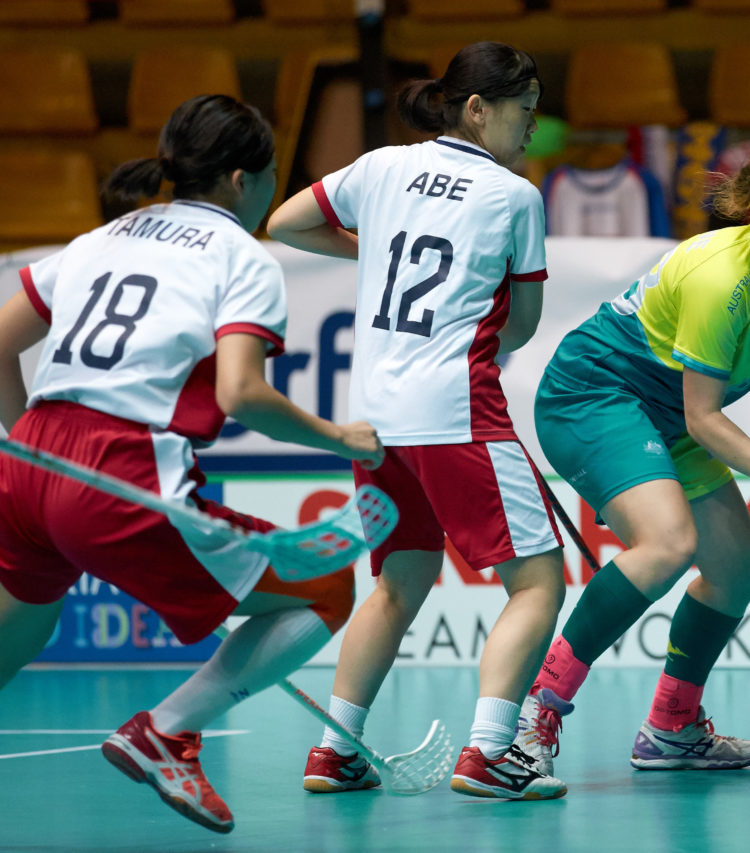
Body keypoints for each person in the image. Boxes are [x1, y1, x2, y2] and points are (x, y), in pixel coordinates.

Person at [0, 94, 385, 834]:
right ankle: (167, 731)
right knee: (326, 585)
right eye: (273, 175)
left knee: (21, 628)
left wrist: (29, 438)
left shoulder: (102, 237)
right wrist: (344, 439)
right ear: (243, 180)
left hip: (27, 466)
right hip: (122, 470)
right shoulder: (243, 255)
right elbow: (241, 392)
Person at [267, 41, 568, 801]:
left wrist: (368, 259)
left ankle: (334, 751)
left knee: (399, 583)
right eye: (524, 113)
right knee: (536, 582)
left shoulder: (380, 167)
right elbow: (522, 324)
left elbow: (286, 223)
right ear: (478, 109)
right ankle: (491, 752)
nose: (531, 129)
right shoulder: (513, 196)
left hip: (375, 419)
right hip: (456, 408)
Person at [518, 133, 750, 775]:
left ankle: (672, 728)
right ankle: (536, 711)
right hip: (595, 394)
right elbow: (706, 418)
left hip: (669, 413)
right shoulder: (721, 276)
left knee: (736, 566)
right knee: (667, 543)